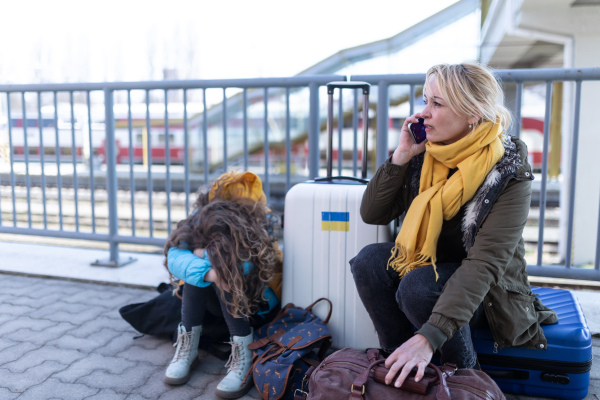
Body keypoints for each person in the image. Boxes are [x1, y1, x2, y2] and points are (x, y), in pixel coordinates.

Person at [350, 63, 558, 389]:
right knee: (370, 262)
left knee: (419, 285)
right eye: (424, 101)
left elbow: (485, 264)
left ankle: (468, 382)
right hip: (431, 269)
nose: (423, 114)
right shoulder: (426, 153)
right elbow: (373, 213)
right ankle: (400, 370)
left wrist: (429, 337)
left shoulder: (507, 167)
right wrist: (401, 156)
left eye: (437, 104)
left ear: (472, 112)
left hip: (487, 293)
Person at [163, 171, 282, 399]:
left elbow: (250, 267)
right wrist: (210, 272)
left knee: (226, 272)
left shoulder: (256, 222)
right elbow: (175, 256)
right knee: (198, 275)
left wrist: (204, 256)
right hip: (214, 302)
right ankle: (187, 349)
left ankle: (244, 357)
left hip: (255, 302)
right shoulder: (201, 217)